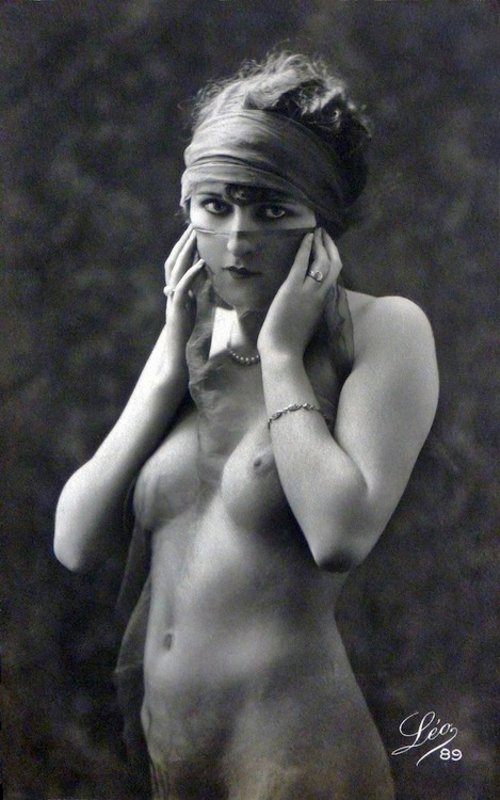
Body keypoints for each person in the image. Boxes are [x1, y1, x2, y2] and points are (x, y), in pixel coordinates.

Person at [54, 53, 439, 799]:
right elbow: (74, 543)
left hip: (297, 757)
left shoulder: (384, 330)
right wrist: (164, 368)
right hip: (176, 766)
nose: (236, 241)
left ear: (321, 222)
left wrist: (281, 355)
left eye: (271, 210)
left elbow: (338, 535)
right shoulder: (192, 352)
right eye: (215, 206)